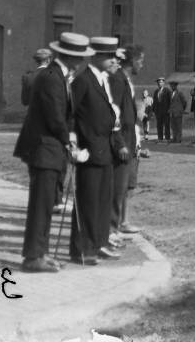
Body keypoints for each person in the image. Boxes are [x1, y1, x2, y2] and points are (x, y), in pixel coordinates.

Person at [14, 32, 92, 273]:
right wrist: (69, 142)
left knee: (46, 204)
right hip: (43, 148)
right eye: (78, 57)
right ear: (67, 55)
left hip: (49, 148)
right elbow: (55, 117)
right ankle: (33, 257)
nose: (81, 62)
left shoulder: (59, 76)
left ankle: (41, 253)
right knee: (40, 204)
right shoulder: (51, 78)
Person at [69, 36, 122, 265]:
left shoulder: (101, 80)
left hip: (105, 150)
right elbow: (68, 114)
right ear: (98, 57)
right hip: (89, 151)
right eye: (110, 57)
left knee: (101, 201)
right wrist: (73, 144)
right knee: (88, 201)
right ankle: (82, 248)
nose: (114, 61)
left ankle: (98, 243)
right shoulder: (83, 80)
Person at [108, 44, 142, 237]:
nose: (142, 65)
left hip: (130, 139)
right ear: (133, 61)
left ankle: (121, 221)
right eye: (141, 61)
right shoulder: (118, 80)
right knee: (117, 185)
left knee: (126, 183)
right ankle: (112, 227)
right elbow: (115, 115)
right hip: (121, 141)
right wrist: (120, 141)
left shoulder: (126, 80)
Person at [153, 77, 171, 142]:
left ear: (163, 83)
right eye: (158, 82)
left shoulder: (167, 90)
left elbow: (170, 100)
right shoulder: (156, 91)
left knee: (166, 125)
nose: (159, 83)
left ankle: (167, 138)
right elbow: (154, 102)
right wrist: (154, 110)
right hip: (158, 112)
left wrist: (169, 109)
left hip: (166, 111)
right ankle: (160, 138)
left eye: (160, 82)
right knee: (159, 125)